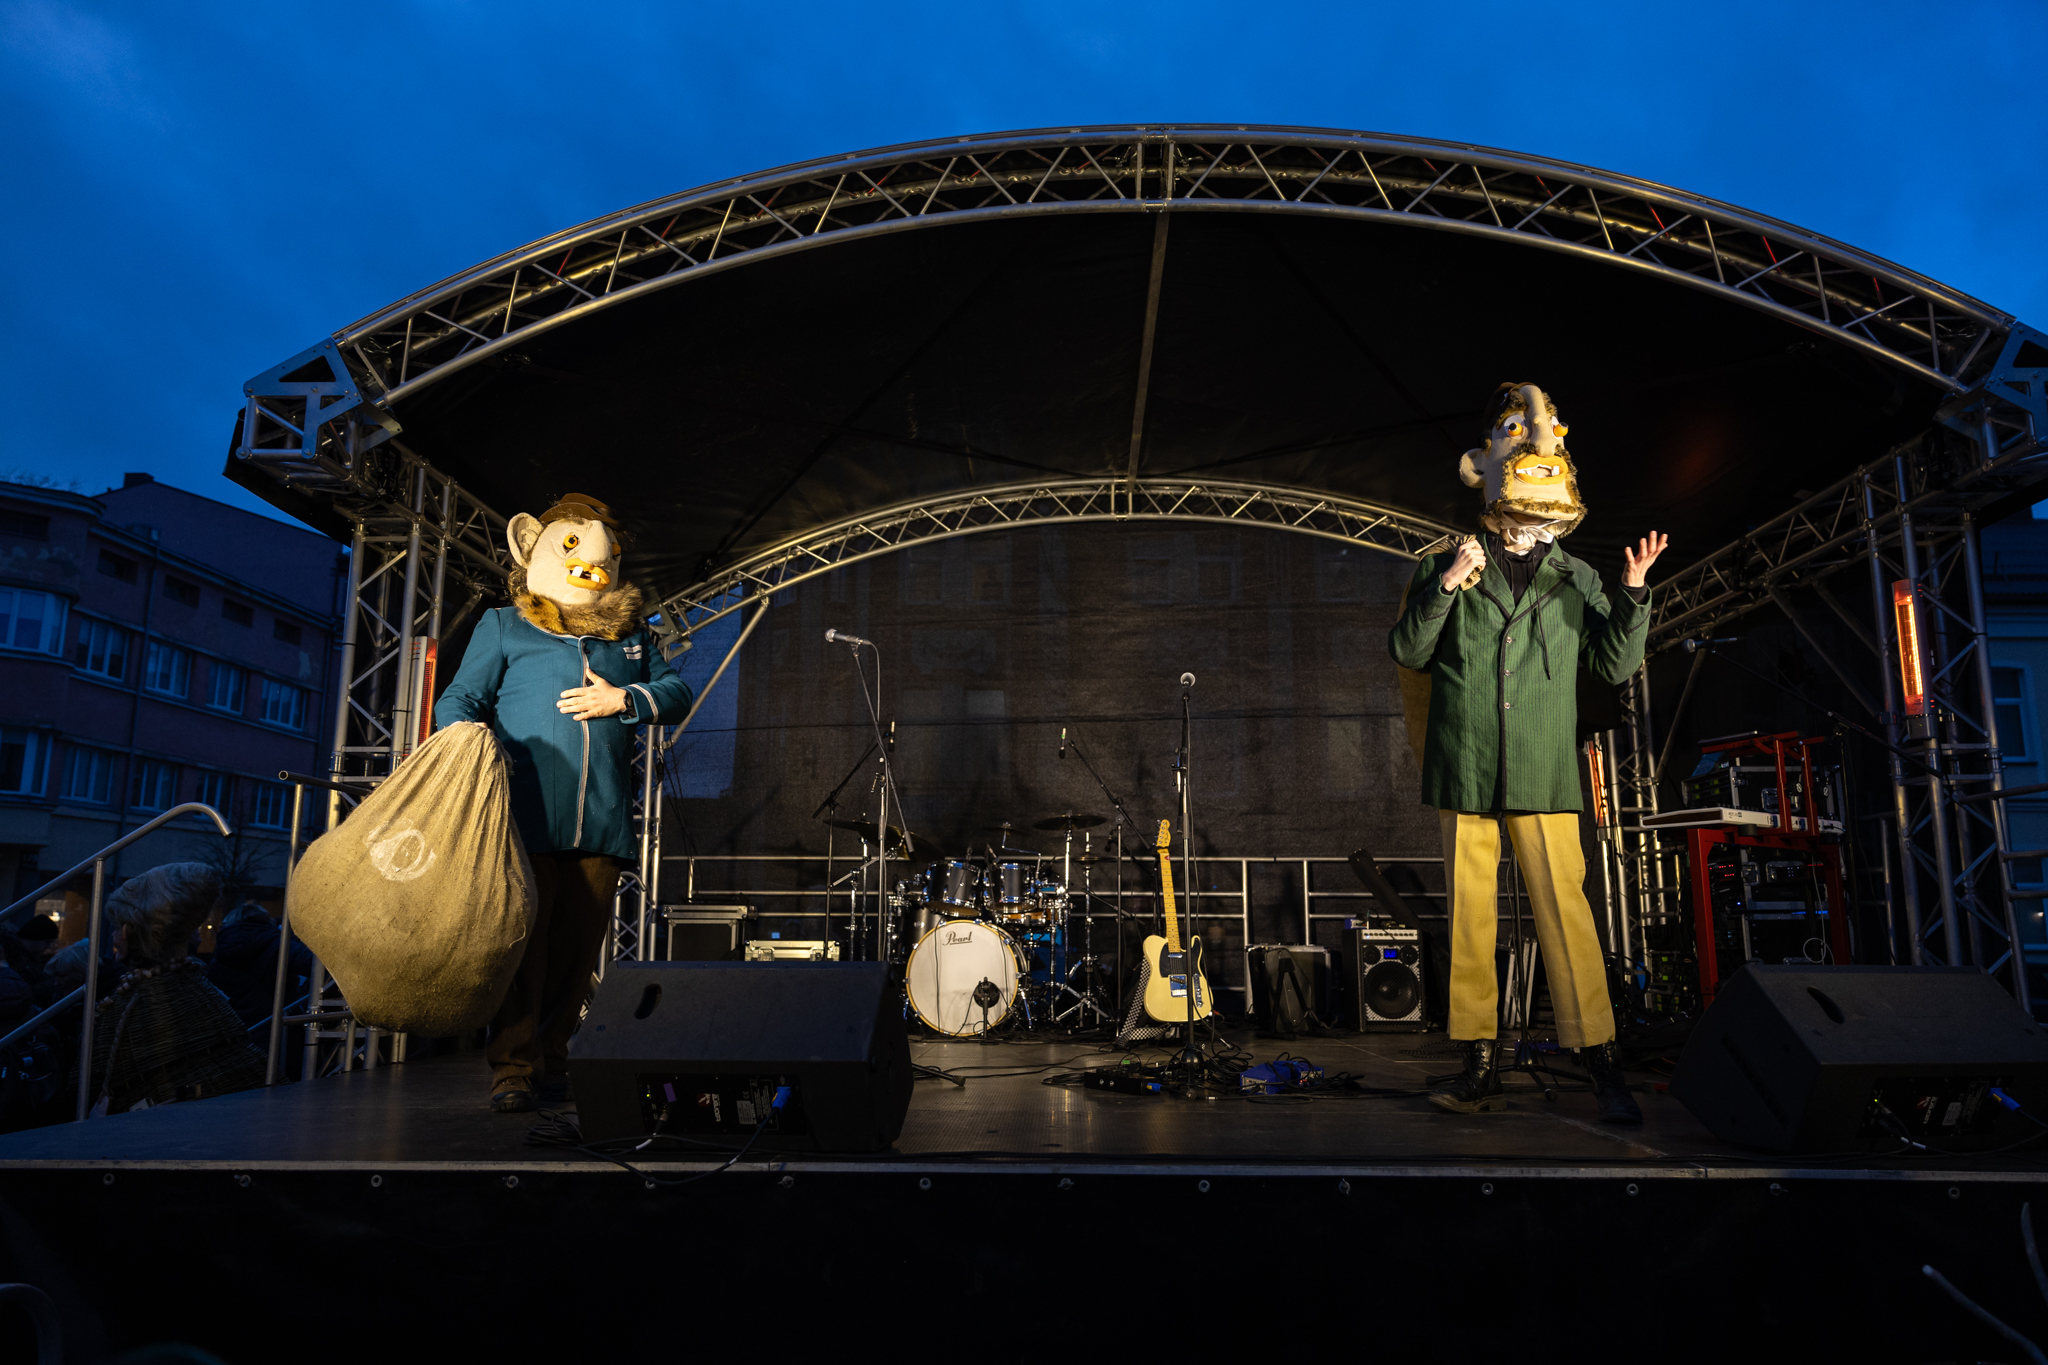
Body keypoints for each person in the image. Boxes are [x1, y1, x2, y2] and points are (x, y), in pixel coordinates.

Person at [1388, 382, 1666, 1124]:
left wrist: (1634, 593)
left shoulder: (1576, 578)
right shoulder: (1444, 565)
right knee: (1472, 920)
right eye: (1514, 430)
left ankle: (1600, 1059)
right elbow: (1408, 650)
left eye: (1543, 429)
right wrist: (1448, 586)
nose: (1536, 439)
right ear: (1479, 462)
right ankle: (1478, 1061)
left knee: (1567, 915)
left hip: (1543, 771)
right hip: (1467, 767)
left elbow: (1613, 664)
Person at [434, 493, 693, 1113]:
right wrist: (469, 745)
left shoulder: (630, 635)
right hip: (522, 815)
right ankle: (513, 1068)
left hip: (601, 820)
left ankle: (552, 1059)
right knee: (523, 947)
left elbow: (676, 691)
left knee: (576, 954)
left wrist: (623, 699)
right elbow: (459, 700)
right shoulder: (506, 625)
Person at [78, 863, 266, 1115]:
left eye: (116, 928)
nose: (113, 937)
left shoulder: (142, 1004)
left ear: (129, 930)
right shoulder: (198, 990)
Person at [206, 902, 314, 1027]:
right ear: (265, 919)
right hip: (276, 1026)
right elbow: (312, 965)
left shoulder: (221, 950)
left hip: (233, 1026)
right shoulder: (279, 944)